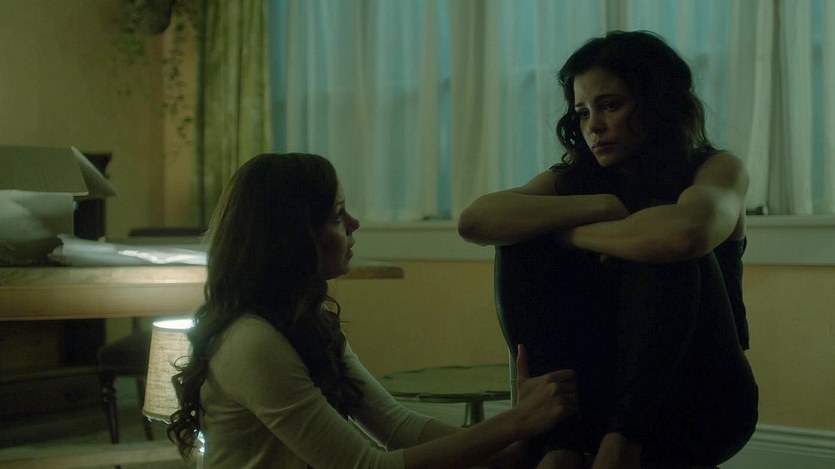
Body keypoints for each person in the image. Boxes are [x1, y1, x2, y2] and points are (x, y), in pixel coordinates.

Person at [458, 31, 758, 469]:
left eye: (610, 105)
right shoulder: (578, 180)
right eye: (582, 112)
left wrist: (570, 234)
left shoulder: (716, 168)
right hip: (600, 395)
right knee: (521, 236)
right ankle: (561, 445)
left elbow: (686, 234)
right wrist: (600, 207)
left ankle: (622, 445)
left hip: (702, 399)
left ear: (656, 104)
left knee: (656, 240)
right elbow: (476, 220)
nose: (593, 126)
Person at [167, 152, 579, 469]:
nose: (354, 223)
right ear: (292, 238)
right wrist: (516, 423)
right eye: (336, 215)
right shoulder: (251, 341)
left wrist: (515, 444)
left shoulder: (308, 322)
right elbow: (363, 466)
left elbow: (398, 427)